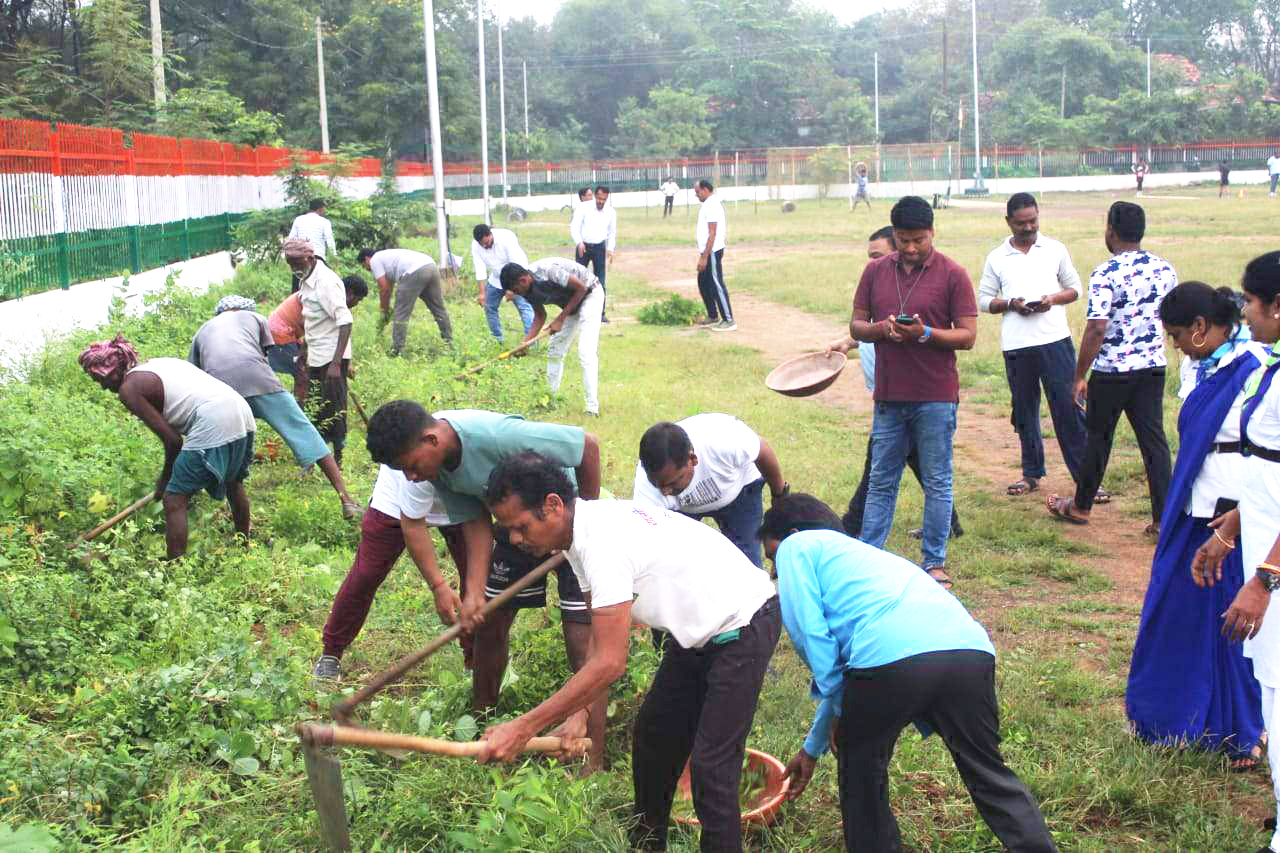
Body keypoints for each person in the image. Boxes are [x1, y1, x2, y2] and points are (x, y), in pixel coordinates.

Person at [476, 452, 780, 853]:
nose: (515, 539)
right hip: (694, 634)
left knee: (712, 770)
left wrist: (523, 727)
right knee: (654, 739)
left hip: (743, 622)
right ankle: (647, 843)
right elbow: (601, 644)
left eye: (520, 527)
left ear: (552, 505)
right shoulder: (577, 539)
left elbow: (610, 662)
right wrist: (577, 714)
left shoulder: (602, 543)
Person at [760, 494, 1058, 853]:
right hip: (969, 650)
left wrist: (844, 709)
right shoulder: (865, 561)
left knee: (862, 771)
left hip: (891, 659)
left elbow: (810, 636)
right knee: (989, 773)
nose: (776, 572)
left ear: (791, 533)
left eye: (772, 558)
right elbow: (846, 671)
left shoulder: (797, 545)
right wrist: (812, 749)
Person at [364, 401, 608, 771]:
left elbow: (587, 446)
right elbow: (475, 521)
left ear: (431, 439)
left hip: (563, 520)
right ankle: (483, 725)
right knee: (490, 623)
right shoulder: (439, 468)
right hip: (516, 530)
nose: (412, 479)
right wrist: (474, 593)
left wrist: (586, 523)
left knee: (582, 637)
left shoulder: (497, 436)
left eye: (412, 467)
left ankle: (594, 754)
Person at [1126, 281, 1266, 771]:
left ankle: (1242, 730)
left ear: (1202, 328)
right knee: (1177, 614)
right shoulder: (1207, 367)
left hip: (1232, 518)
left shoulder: (1253, 370)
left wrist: (1234, 526)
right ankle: (1173, 718)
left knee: (1233, 627)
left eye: (1179, 334)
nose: (1176, 344)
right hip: (1196, 510)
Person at [1189, 251, 1280, 853]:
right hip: (1262, 543)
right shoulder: (1270, 368)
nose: (1244, 311)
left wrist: (1265, 578)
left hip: (1276, 568)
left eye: (1250, 302)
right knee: (1273, 688)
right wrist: (1233, 526)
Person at [849, 196, 978, 588]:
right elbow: (856, 326)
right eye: (903, 240)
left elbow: (968, 336)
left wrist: (924, 333)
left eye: (918, 240)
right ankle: (870, 555)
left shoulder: (953, 274)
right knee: (881, 480)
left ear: (932, 233)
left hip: (935, 396)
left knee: (938, 479)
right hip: (889, 396)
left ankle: (935, 562)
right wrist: (881, 330)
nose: (909, 248)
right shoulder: (875, 273)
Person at [1047, 202, 1175, 536]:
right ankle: (1163, 519)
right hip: (1152, 367)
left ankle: (1080, 507)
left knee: (1099, 438)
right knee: (1154, 442)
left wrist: (1079, 375)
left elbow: (1097, 328)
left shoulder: (1106, 273)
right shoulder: (1164, 269)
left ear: (1111, 232)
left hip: (1112, 370)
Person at [828, 226, 964, 541]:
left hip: (923, 395)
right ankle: (948, 522)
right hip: (890, 397)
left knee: (891, 469)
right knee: (902, 468)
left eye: (877, 255)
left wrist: (923, 333)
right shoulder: (879, 278)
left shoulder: (937, 277)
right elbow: (867, 324)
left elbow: (962, 334)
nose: (871, 262)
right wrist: (847, 342)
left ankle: (853, 525)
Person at [79, 336, 255, 559]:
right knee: (233, 482)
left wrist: (165, 481)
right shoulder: (158, 364)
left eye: (102, 379)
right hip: (241, 410)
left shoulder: (128, 389)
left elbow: (173, 441)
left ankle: (175, 568)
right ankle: (243, 548)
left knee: (174, 499)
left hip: (214, 418)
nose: (103, 387)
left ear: (115, 370)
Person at [190, 295, 360, 519]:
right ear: (244, 308)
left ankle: (198, 498)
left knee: (221, 445)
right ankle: (346, 499)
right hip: (260, 380)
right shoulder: (255, 317)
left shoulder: (202, 331)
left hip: (221, 390)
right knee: (304, 431)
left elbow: (196, 374)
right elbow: (263, 354)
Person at [979, 193, 1091, 499]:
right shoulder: (996, 258)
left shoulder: (1054, 249)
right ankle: (1031, 473)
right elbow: (984, 300)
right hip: (1017, 346)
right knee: (1025, 410)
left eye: (1033, 220)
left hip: (1055, 340)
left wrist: (1051, 299)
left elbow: (1075, 289)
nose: (1028, 228)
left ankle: (1085, 478)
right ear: (1008, 222)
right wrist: (1009, 304)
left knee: (1068, 409)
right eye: (1021, 223)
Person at [313, 464, 463, 679]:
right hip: (396, 496)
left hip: (460, 498)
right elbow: (412, 524)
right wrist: (438, 586)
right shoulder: (408, 467)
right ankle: (331, 652)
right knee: (366, 574)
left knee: (477, 578)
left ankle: (475, 656)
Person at [633, 414, 787, 569]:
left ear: (692, 459)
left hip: (740, 490)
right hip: (682, 509)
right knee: (678, 566)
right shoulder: (646, 486)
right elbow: (648, 542)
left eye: (672, 483)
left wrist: (780, 496)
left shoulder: (724, 441)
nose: (665, 492)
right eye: (658, 485)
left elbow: (762, 450)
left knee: (748, 565)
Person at [285, 238, 365, 467]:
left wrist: (336, 364)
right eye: (290, 264)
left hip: (332, 358)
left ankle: (337, 459)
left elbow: (345, 322)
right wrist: (304, 353)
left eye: (296, 263)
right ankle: (315, 459)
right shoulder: (305, 279)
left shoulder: (327, 281)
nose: (294, 268)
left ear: (309, 258)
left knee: (335, 410)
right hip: (316, 354)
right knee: (315, 408)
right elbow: (311, 321)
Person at [498, 258, 604, 416]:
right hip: (571, 305)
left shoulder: (549, 272)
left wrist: (560, 319)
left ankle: (592, 407)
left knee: (585, 351)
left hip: (590, 292)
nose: (518, 294)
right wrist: (526, 343)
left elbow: (581, 289)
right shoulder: (525, 289)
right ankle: (550, 400)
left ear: (523, 280)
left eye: (516, 290)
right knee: (554, 351)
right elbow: (540, 315)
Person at [356, 247, 452, 355]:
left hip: (414, 271)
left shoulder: (374, 260)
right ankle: (449, 343)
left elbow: (384, 289)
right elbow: (389, 286)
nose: (367, 269)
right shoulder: (387, 257)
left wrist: (384, 311)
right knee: (439, 309)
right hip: (430, 265)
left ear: (366, 259)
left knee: (400, 313)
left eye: (364, 266)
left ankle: (397, 350)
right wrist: (386, 307)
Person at [470, 224, 535, 345]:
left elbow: (516, 263)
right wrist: (482, 293)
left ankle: (530, 341)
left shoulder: (506, 237)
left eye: (487, 242)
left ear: (490, 234)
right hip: (496, 278)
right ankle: (497, 339)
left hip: (517, 277)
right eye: (482, 244)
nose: (485, 246)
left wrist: (511, 290)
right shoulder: (476, 245)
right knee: (489, 307)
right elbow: (479, 267)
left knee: (524, 306)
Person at [570, 185, 616, 321]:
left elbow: (612, 232)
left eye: (604, 199)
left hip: (599, 248)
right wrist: (579, 242)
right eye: (599, 198)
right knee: (578, 279)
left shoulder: (611, 212)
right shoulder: (583, 208)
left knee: (600, 280)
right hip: (583, 247)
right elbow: (574, 226)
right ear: (595, 196)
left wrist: (610, 249)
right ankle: (576, 310)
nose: (601, 201)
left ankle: (600, 313)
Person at [695, 179, 735, 332]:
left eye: (698, 192)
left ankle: (728, 319)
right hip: (707, 251)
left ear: (705, 189)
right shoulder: (707, 205)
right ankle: (713, 315)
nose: (696, 195)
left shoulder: (711, 205)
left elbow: (712, 233)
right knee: (703, 282)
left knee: (717, 284)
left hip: (712, 251)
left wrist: (704, 257)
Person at [266, 290, 306, 397]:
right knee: (301, 371)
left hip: (284, 330)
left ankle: (301, 402)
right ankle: (301, 406)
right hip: (280, 331)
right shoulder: (312, 295)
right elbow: (305, 323)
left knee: (302, 366)